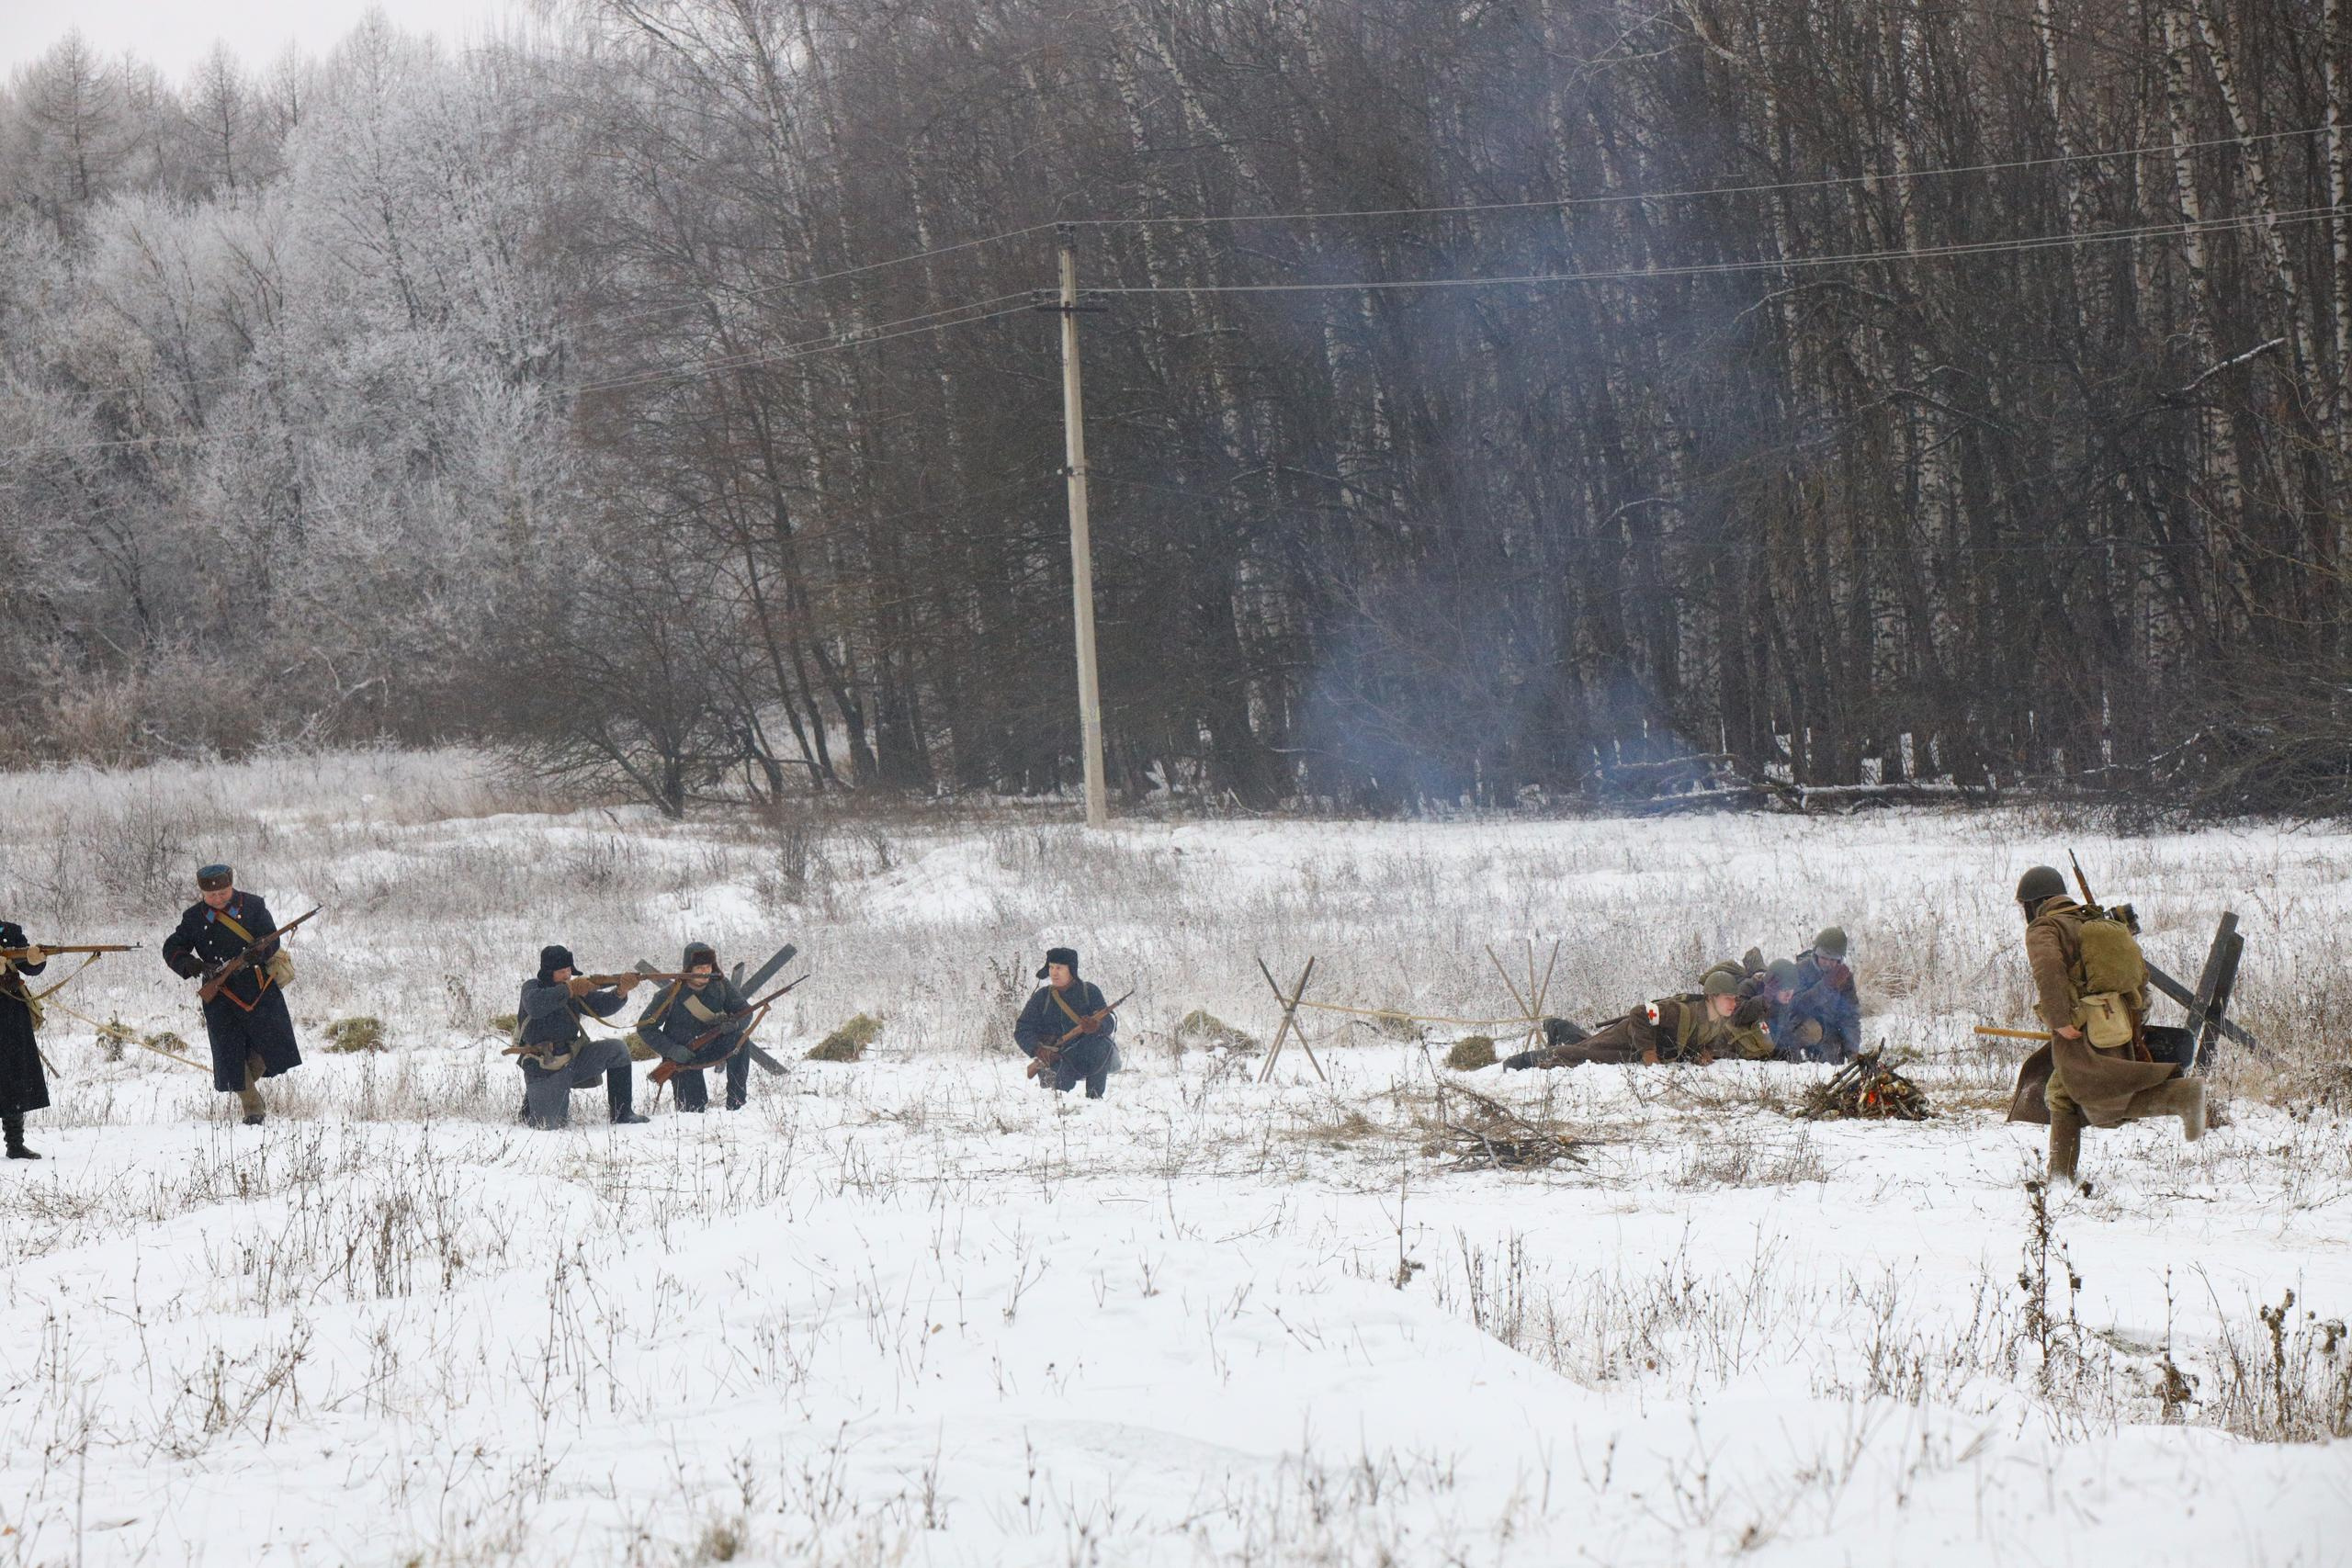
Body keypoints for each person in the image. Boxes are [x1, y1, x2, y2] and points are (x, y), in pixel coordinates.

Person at [2004, 865, 2202, 1187]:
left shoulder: (2045, 926)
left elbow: (2048, 970)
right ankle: (2060, 1178)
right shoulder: (2091, 920)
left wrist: (2059, 1020)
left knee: (2095, 1101)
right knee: (2068, 1094)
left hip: (2082, 1028)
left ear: (2032, 903)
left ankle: (2182, 1096)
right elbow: (2137, 977)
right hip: (2115, 1021)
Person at [161, 864, 303, 1125]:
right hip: (219, 994)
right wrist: (191, 964)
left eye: (223, 893)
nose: (218, 898)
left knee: (269, 1043)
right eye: (212, 895)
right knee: (230, 1052)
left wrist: (258, 952)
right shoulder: (193, 918)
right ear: (203, 893)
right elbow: (172, 948)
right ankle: (253, 1109)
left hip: (258, 987)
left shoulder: (253, 906)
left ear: (231, 886)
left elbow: (272, 939)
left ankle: (243, 1085)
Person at [1505, 970, 1771, 1069]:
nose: (1733, 1004)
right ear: (1711, 997)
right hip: (1628, 1037)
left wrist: (1705, 1052)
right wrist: (1649, 1054)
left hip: (1635, 1051)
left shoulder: (1717, 1020)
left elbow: (1702, 1038)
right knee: (1583, 1055)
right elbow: (1639, 1013)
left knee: (1588, 1046)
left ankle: (1559, 1027)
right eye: (1728, 998)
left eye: (1735, 999)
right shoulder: (1679, 1011)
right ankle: (1521, 1061)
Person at [514, 945, 648, 1129]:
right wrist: (569, 989)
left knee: (617, 1050)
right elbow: (536, 1006)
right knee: (549, 1125)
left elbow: (601, 1006)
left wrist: (621, 992)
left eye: (568, 970)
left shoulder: (574, 990)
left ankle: (623, 1114)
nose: (567, 975)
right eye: (561, 971)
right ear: (548, 972)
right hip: (544, 1066)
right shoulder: (532, 988)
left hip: (573, 1059)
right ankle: (533, 1103)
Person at [633, 942, 754, 1111]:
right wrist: (672, 1050)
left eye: (708, 966)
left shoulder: (721, 985)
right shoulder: (669, 994)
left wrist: (735, 1025)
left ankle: (737, 1104)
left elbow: (745, 1012)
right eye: (699, 967)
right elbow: (645, 1028)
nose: (705, 971)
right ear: (689, 969)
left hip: (714, 1046)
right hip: (684, 1055)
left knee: (740, 1040)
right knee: (692, 1110)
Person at [1014, 946, 1121, 1098]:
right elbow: (1023, 1029)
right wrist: (1038, 1050)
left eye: (1059, 968)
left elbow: (1108, 1022)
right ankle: (1054, 1103)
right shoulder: (1042, 997)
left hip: (1084, 1055)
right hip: (1055, 1057)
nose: (1053, 973)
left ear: (1071, 969)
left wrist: (1097, 1026)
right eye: (1051, 967)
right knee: (1057, 1093)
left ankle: (1095, 1098)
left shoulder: (1089, 991)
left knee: (1102, 1044)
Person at [0, 919, 50, 1159]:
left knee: (13, 1078)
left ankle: (15, 1144)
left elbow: (30, 967)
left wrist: (34, 958)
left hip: (10, 1012)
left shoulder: (10, 931)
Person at [1781, 927, 1861, 1062]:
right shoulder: (1801, 970)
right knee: (1811, 1031)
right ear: (1816, 954)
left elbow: (1850, 1017)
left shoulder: (1845, 978)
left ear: (1839, 960)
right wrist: (1825, 986)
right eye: (1824, 958)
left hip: (1829, 1031)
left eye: (1832, 960)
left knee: (1834, 1060)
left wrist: (1853, 1052)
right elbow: (1794, 1006)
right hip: (1799, 1026)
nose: (1827, 963)